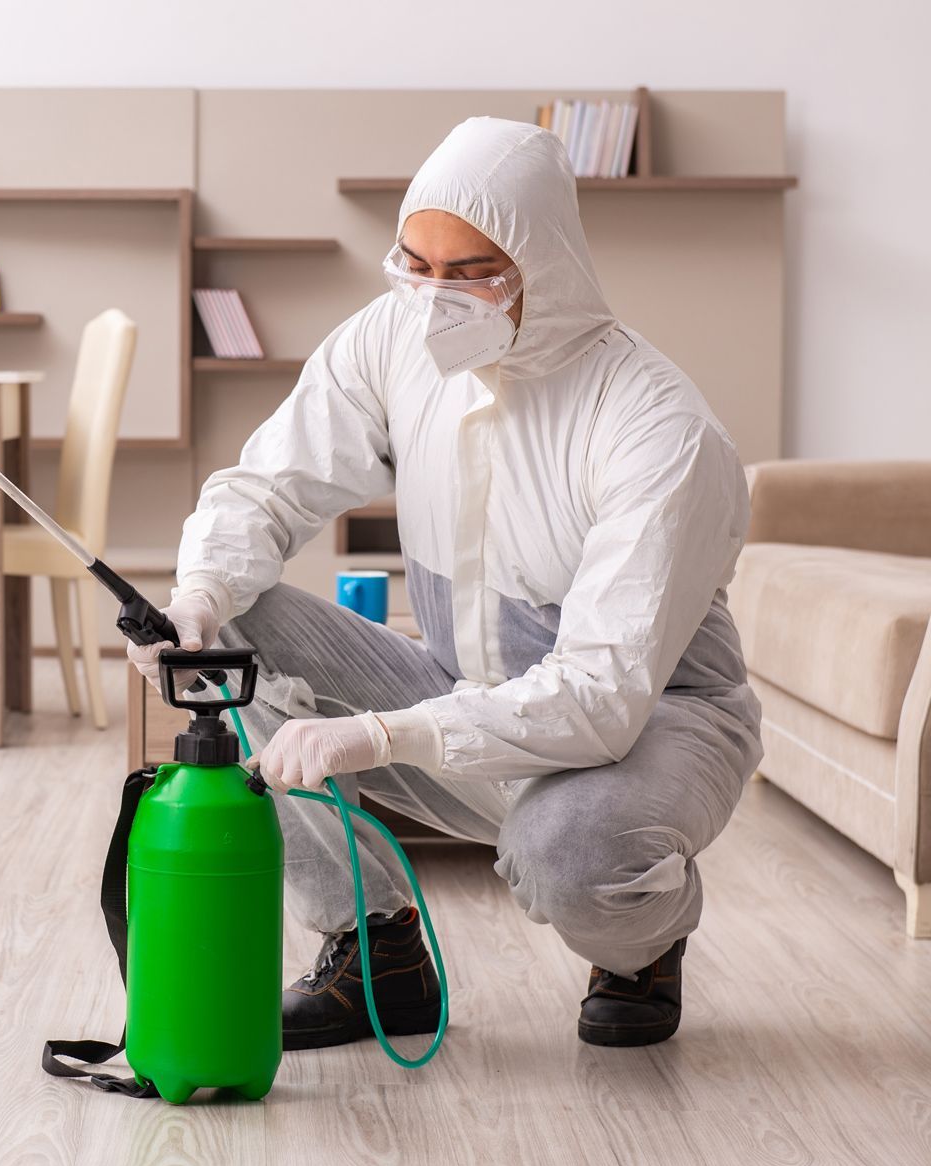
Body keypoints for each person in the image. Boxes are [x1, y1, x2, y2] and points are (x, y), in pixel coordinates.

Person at [128, 116, 762, 1050]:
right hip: (465, 691)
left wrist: (384, 733)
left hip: (649, 727)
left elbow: (600, 695)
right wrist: (196, 597)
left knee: (571, 853)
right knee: (233, 627)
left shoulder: (655, 426)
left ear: (544, 264)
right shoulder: (392, 338)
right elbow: (269, 486)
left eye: (469, 273)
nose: (434, 299)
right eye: (416, 266)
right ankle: (376, 953)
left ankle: (640, 944)